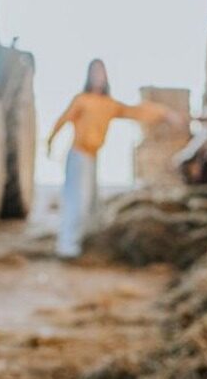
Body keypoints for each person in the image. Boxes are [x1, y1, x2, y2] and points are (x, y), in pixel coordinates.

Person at [46, 59, 175, 258]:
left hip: (92, 157)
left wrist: (165, 112)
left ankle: (83, 243)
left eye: (101, 73)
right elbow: (62, 120)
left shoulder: (109, 105)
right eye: (95, 72)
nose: (98, 77)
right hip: (78, 155)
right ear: (88, 76)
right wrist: (50, 142)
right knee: (77, 202)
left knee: (91, 203)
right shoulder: (81, 100)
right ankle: (67, 247)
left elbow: (136, 111)